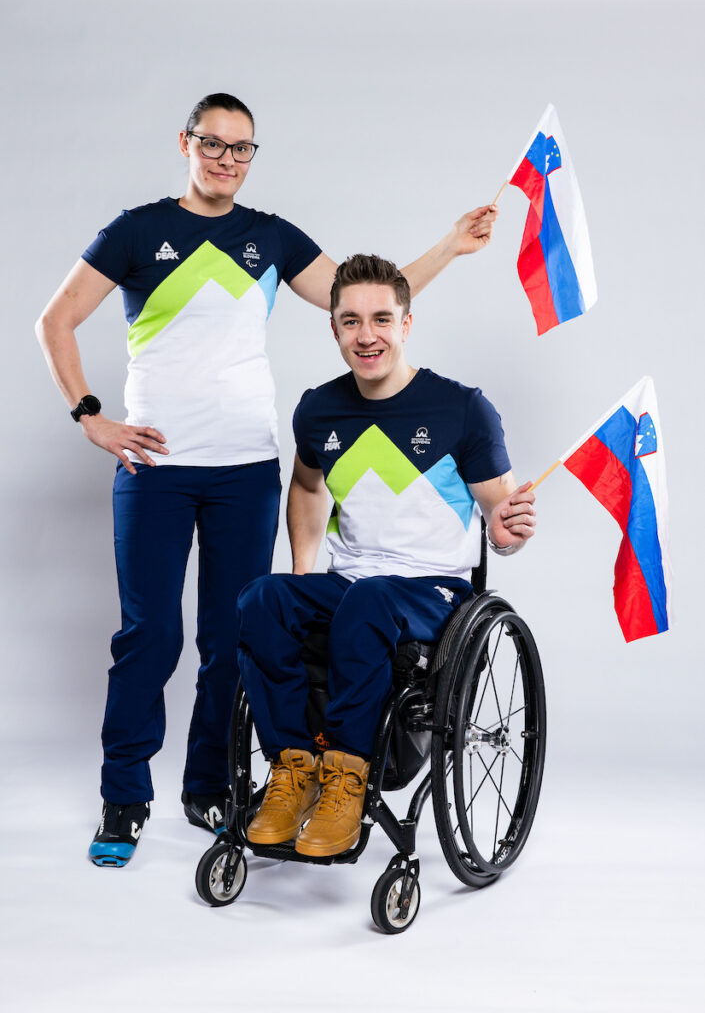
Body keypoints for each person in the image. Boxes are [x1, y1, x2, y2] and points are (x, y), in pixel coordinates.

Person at [35, 92, 498, 867]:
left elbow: (367, 298)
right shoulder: (137, 231)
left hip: (246, 471)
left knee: (230, 637)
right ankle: (124, 799)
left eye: (241, 147)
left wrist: (449, 246)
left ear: (252, 155)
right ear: (184, 143)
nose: (227, 159)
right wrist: (91, 416)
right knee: (149, 636)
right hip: (155, 469)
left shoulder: (270, 237)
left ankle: (210, 787)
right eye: (212, 143)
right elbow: (54, 320)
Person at [236, 254, 536, 858]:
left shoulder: (462, 409)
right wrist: (302, 574)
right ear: (334, 328)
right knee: (262, 599)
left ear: (406, 324)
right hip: (353, 585)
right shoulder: (318, 409)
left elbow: (500, 517)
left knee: (370, 601)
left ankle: (347, 780)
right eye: (350, 321)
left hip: (433, 590)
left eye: (381, 319)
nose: (366, 335)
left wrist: (510, 532)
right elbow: (307, 487)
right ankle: (292, 771)